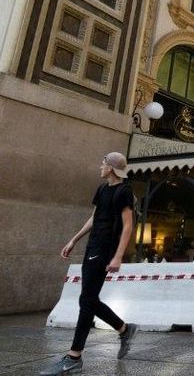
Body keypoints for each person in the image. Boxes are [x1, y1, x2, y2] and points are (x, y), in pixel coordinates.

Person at [41, 153, 138, 376]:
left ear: (112, 168)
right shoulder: (102, 189)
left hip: (105, 250)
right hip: (92, 248)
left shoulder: (124, 191)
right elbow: (94, 218)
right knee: (89, 299)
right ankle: (124, 329)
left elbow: (127, 226)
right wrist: (74, 240)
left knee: (86, 300)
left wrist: (118, 256)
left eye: (104, 164)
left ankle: (75, 356)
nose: (100, 166)